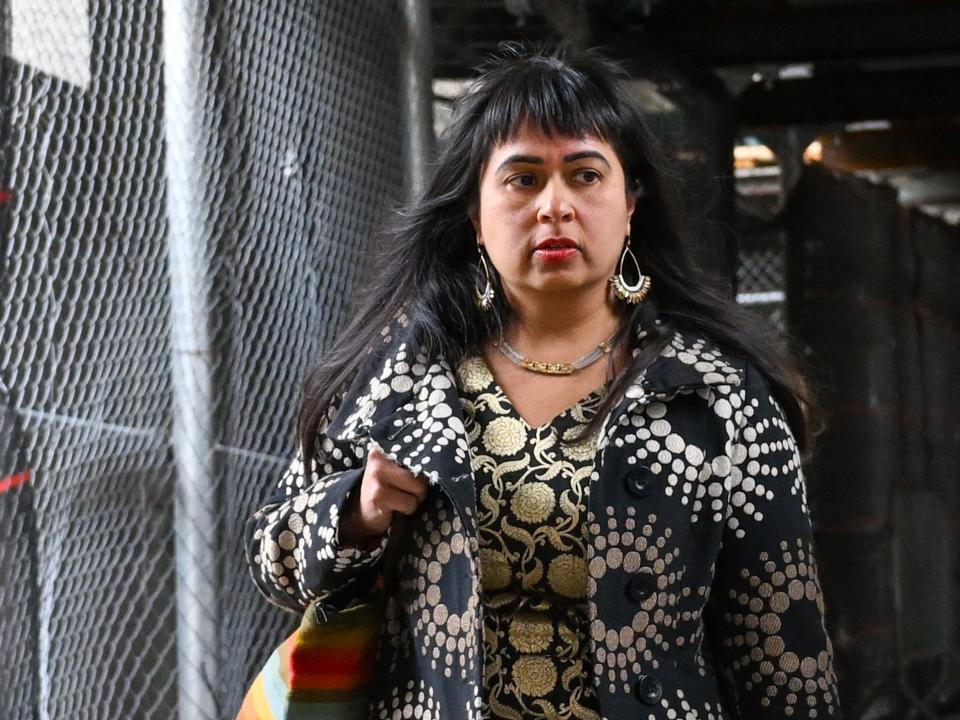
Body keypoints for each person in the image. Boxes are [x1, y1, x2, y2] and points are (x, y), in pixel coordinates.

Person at [245, 41, 841, 720]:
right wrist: (356, 510)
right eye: (522, 179)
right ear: (474, 212)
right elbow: (274, 557)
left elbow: (784, 654)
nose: (554, 205)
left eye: (585, 176)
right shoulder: (401, 379)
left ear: (630, 204)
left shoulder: (717, 396)